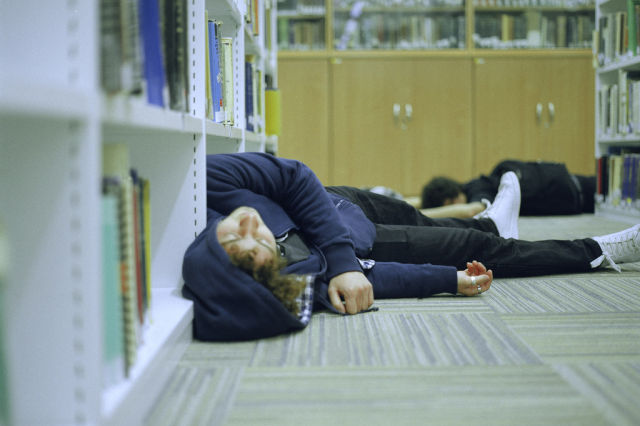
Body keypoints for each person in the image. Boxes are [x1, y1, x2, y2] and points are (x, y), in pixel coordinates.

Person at [182, 152, 640, 341]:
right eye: (254, 248)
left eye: (238, 240)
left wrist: (339, 259)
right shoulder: (297, 280)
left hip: (340, 201)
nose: (249, 226)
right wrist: (447, 280)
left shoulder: (206, 181)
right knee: (470, 246)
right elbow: (373, 280)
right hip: (368, 245)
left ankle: (495, 222)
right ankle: (596, 249)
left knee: (417, 215)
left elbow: (295, 176)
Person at [420, 160, 596, 219]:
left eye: (451, 204)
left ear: (455, 193)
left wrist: (422, 214)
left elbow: (471, 211)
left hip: (582, 193)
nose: (452, 208)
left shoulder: (479, 189)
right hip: (577, 188)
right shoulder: (476, 184)